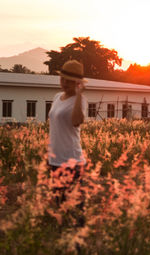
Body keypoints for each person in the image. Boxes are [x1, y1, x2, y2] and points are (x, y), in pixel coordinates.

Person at [48, 60, 88, 206]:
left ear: (77, 83)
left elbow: (77, 121)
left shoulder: (81, 101)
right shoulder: (57, 97)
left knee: (76, 208)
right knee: (59, 206)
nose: (64, 83)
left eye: (69, 81)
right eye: (62, 79)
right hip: (55, 159)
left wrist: (78, 95)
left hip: (72, 161)